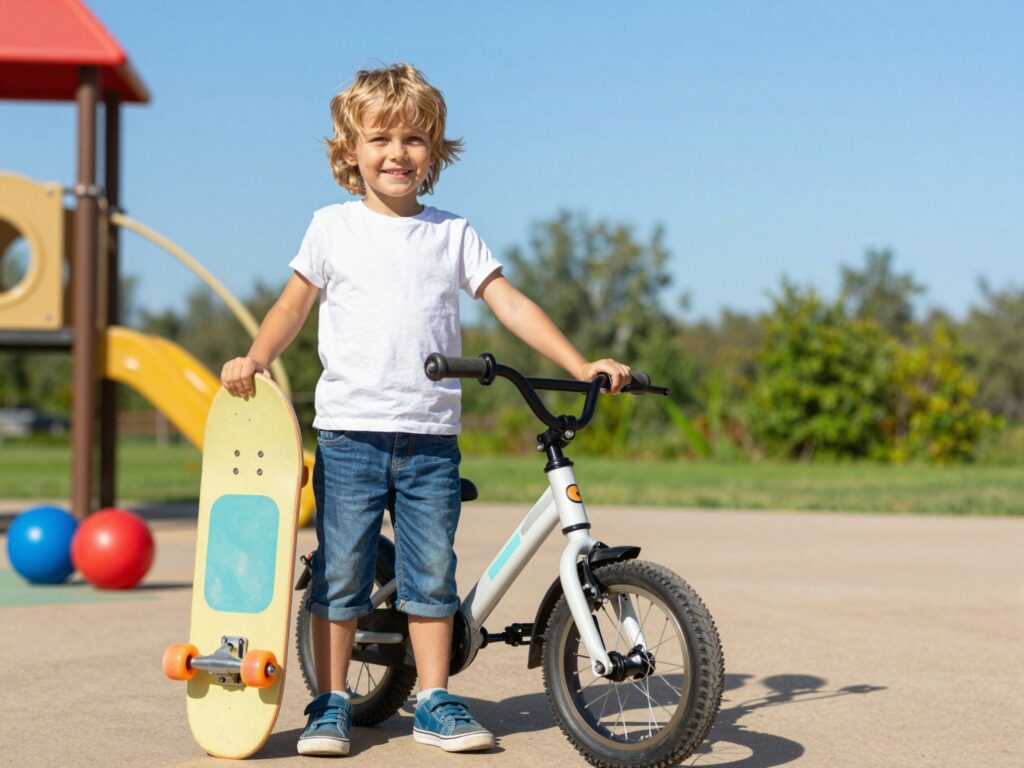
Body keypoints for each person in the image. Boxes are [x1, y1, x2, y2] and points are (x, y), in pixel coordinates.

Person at [220, 63, 631, 757]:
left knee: (431, 575)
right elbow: (292, 306)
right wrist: (256, 358)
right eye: (380, 137)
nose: (397, 152)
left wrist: (579, 362)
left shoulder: (452, 233)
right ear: (350, 150)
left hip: (430, 437)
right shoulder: (331, 228)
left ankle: (437, 698)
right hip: (349, 433)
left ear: (434, 152)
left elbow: (510, 302)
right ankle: (329, 702)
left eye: (414, 138)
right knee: (341, 573)